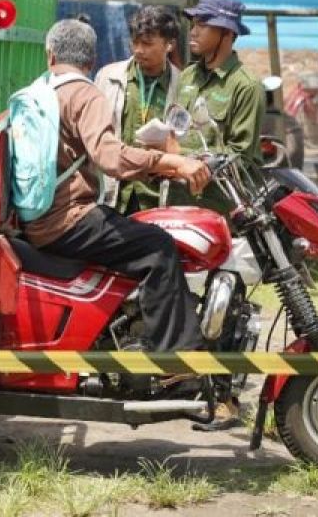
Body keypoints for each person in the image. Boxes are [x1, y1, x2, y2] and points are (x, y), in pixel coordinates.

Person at [25, 19, 210, 359]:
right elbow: (110, 157)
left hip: (37, 216)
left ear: (49, 55)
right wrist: (172, 163)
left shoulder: (38, 91)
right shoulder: (85, 93)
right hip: (68, 218)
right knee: (159, 247)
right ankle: (179, 366)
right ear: (91, 60)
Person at [168, 0, 265, 214]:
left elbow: (240, 158)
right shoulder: (187, 76)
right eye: (193, 24)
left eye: (203, 25)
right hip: (178, 200)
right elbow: (174, 129)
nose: (193, 32)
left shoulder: (247, 86)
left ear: (227, 33)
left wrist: (183, 157)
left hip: (221, 208)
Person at [95, 6, 183, 213]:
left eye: (147, 44)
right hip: (113, 194)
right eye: (135, 42)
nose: (138, 50)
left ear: (169, 45)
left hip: (157, 196)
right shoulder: (108, 77)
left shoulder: (183, 85)